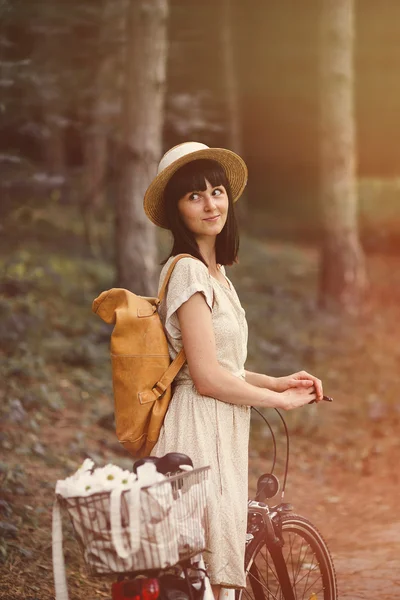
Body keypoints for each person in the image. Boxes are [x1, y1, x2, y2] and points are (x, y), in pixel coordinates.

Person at [143, 142, 323, 597]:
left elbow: (225, 368)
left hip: (222, 427)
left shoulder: (217, 273)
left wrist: (276, 380)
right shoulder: (186, 271)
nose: (210, 204)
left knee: (210, 572)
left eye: (217, 191)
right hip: (196, 432)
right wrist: (279, 401)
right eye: (194, 196)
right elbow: (205, 379)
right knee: (197, 572)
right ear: (176, 209)